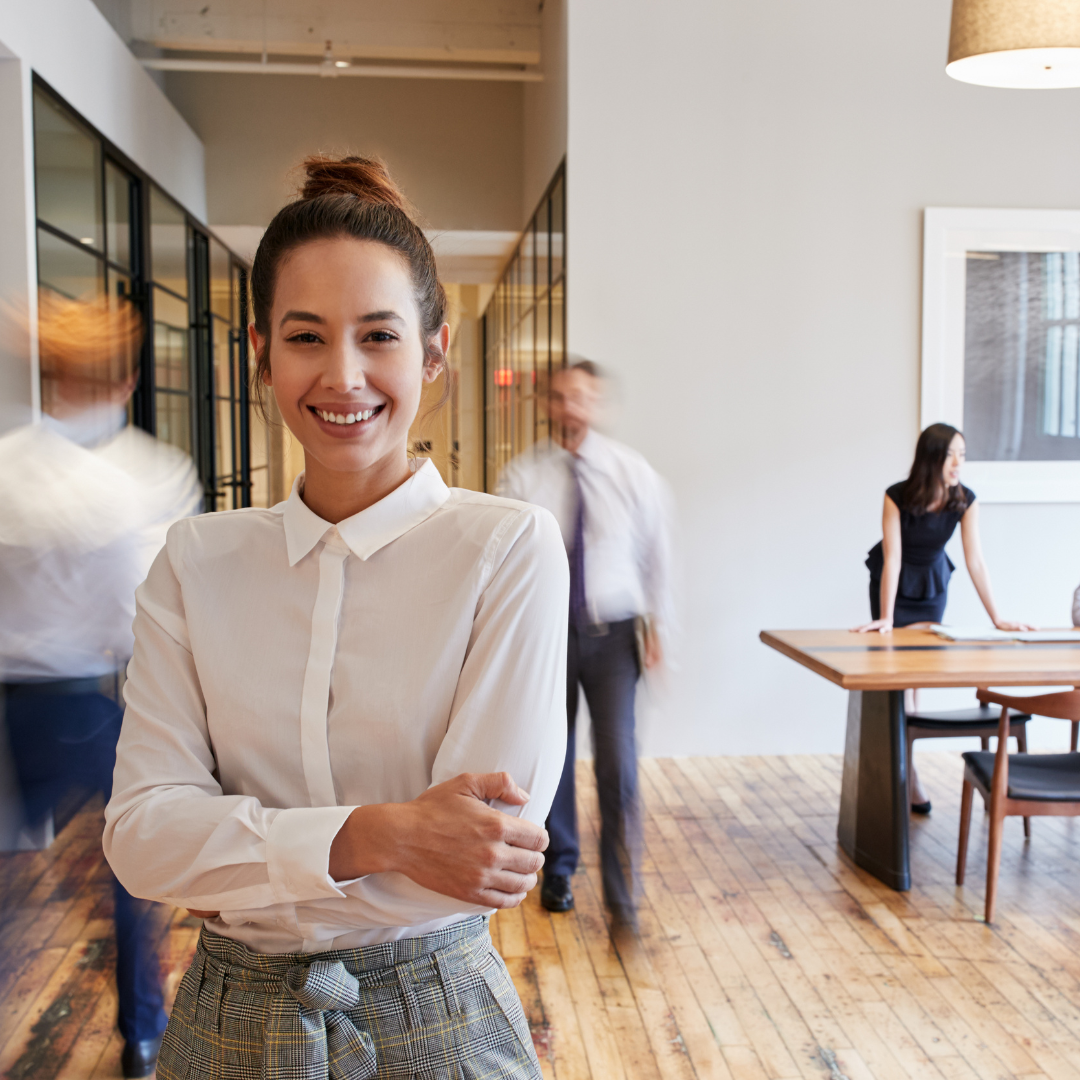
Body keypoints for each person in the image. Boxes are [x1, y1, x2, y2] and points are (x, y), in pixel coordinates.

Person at [103, 156, 568, 1080]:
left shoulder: (506, 548)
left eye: (380, 336)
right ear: (262, 353)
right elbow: (143, 840)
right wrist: (385, 833)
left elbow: (484, 852)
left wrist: (237, 854)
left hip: (438, 1013)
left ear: (433, 352)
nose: (343, 375)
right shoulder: (196, 562)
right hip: (227, 1025)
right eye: (306, 336)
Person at [0, 293, 201, 1077]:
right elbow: (142, 615)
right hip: (84, 701)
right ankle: (143, 1035)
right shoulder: (146, 480)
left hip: (11, 703)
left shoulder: (7, 468)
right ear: (125, 382)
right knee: (133, 871)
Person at [497, 360, 673, 927]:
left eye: (582, 397)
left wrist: (660, 629)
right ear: (547, 404)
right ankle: (561, 869)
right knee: (556, 756)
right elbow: (505, 562)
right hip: (548, 635)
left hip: (615, 634)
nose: (571, 406)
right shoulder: (523, 478)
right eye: (561, 396)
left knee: (618, 762)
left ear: (597, 405)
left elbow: (657, 555)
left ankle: (623, 892)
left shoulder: (631, 472)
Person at [854, 422, 1031, 812]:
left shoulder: (965, 499)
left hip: (932, 586)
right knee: (897, 683)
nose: (958, 463)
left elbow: (975, 561)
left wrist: (998, 618)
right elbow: (894, 557)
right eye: (951, 455)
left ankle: (906, 769)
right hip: (893, 586)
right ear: (931, 457)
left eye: (962, 455)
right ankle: (906, 773)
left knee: (915, 679)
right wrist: (885, 618)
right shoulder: (896, 496)